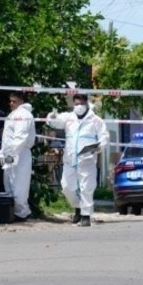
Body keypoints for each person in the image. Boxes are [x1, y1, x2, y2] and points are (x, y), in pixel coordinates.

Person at [46, 94, 109, 227]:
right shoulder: (69, 118)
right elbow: (54, 122)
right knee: (67, 186)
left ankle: (85, 216)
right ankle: (78, 207)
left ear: (86, 103)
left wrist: (95, 148)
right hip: (70, 158)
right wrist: (51, 116)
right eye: (76, 104)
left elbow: (104, 137)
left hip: (87, 159)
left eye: (81, 103)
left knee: (87, 187)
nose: (78, 106)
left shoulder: (96, 120)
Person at [0, 91, 36, 221]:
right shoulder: (12, 115)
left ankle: (22, 213)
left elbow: (21, 137)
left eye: (14, 101)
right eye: (10, 101)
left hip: (20, 153)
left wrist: (11, 155)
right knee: (9, 183)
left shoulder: (23, 115)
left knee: (19, 185)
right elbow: (8, 138)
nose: (11, 103)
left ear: (21, 101)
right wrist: (4, 153)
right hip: (11, 153)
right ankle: (13, 212)